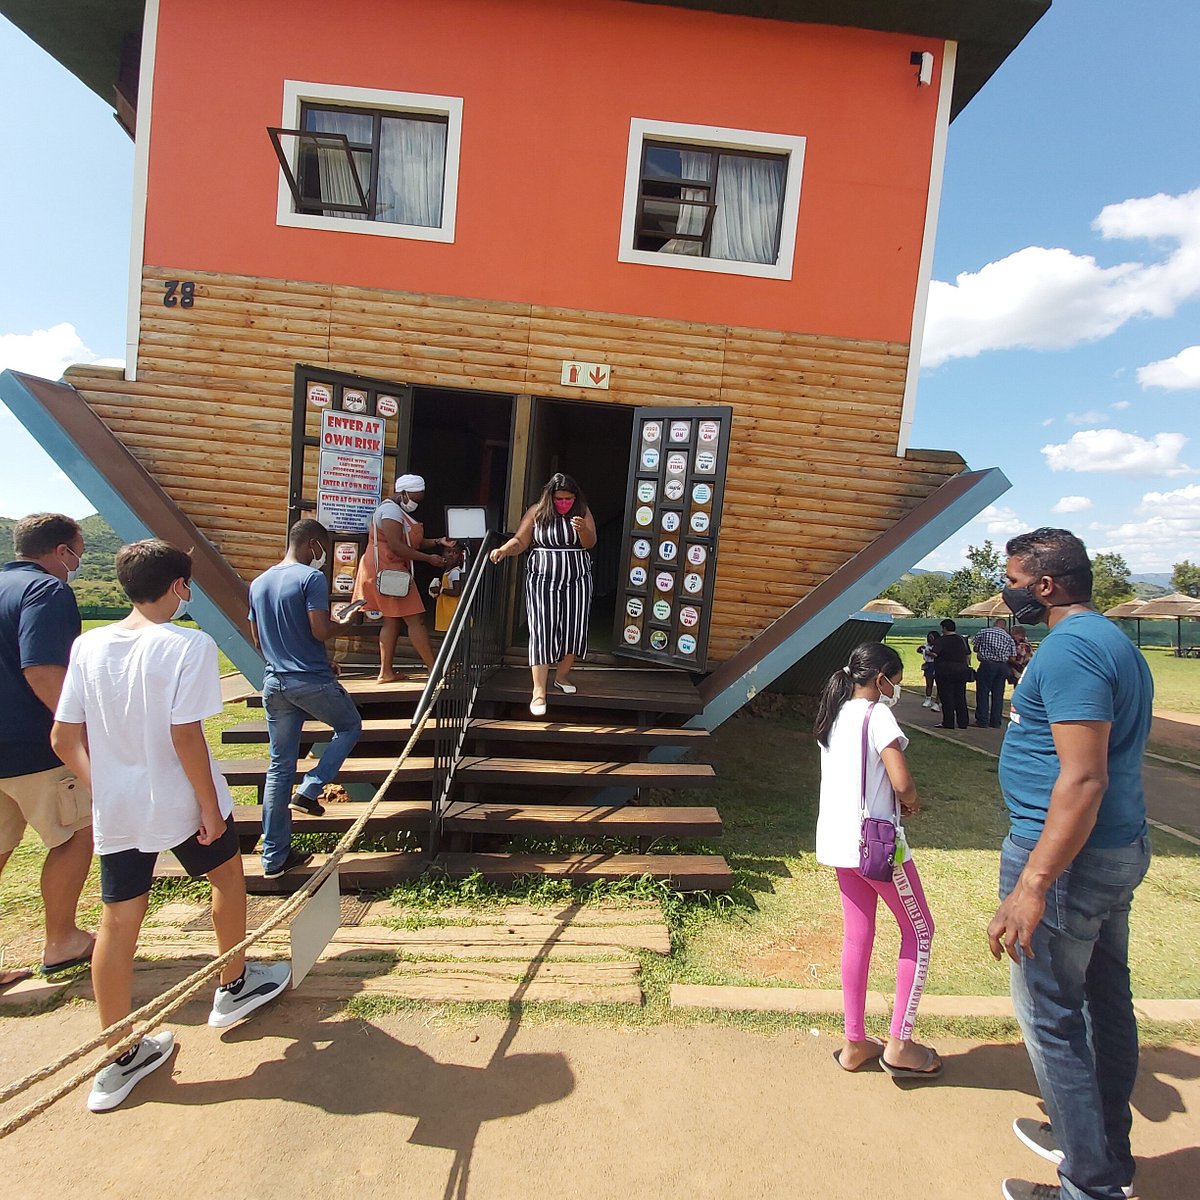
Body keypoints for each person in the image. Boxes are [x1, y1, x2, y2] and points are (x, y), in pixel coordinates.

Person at [52, 539, 291, 1113]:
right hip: (182, 799)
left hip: (121, 808)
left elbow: (63, 739)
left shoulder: (88, 645)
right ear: (180, 587)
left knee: (117, 921)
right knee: (227, 881)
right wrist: (209, 807)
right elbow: (186, 736)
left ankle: (118, 1054)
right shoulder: (189, 644)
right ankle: (233, 985)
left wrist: (105, 785)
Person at [988, 528, 1152, 1200]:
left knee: (1052, 1017)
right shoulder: (1113, 642)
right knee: (1105, 1003)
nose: (1008, 591)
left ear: (1045, 586)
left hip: (1065, 863)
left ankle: (1089, 1183)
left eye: (1013, 580)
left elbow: (1082, 781)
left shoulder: (1073, 652)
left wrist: (1032, 885)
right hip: (1112, 853)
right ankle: (1104, 1153)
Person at [814, 642, 940, 1079]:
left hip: (838, 844)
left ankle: (854, 1042)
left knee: (858, 936)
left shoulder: (835, 713)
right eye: (896, 680)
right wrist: (913, 801)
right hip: (878, 848)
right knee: (920, 932)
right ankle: (900, 1045)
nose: (896, 689)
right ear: (881, 678)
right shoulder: (877, 714)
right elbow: (901, 780)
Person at [0, 513, 94, 981]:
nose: (76, 562)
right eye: (77, 551)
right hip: (34, 745)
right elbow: (42, 669)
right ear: (62, 551)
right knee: (75, 834)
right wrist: (75, 733)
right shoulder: (47, 591)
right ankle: (62, 940)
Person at [248, 519, 363, 879]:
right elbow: (320, 629)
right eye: (322, 550)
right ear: (314, 544)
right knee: (349, 726)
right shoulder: (310, 579)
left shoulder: (259, 582)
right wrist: (349, 620)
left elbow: (258, 639)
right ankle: (312, 787)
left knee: (279, 768)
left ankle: (273, 857)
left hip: (274, 682)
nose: (323, 558)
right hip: (310, 682)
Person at [489, 472, 596, 716]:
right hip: (542, 578)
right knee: (542, 628)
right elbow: (520, 540)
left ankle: (562, 676)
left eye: (569, 498)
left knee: (574, 626)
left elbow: (590, 543)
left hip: (577, 577)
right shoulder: (537, 512)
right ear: (551, 496)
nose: (564, 502)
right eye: (560, 498)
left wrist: (581, 529)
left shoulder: (583, 511)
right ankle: (539, 690)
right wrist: (504, 550)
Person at [350, 474, 454, 682]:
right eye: (416, 497)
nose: (417, 502)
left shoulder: (396, 511)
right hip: (389, 571)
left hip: (388, 569)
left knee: (391, 621)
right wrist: (429, 559)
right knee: (416, 620)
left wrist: (438, 541)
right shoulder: (390, 512)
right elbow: (398, 546)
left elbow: (412, 541)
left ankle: (386, 672)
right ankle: (435, 670)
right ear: (403, 493)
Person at [972, 617, 1017, 728]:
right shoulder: (1008, 637)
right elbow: (1013, 656)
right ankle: (996, 721)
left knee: (983, 692)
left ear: (995, 624)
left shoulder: (984, 632)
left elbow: (975, 648)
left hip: (987, 664)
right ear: (1004, 626)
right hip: (1002, 667)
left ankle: (982, 720)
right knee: (998, 694)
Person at [931, 618, 972, 730]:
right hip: (961, 670)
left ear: (944, 628)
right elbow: (968, 653)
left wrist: (926, 651)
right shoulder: (961, 639)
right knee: (960, 696)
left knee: (947, 697)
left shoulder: (942, 640)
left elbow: (935, 653)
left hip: (945, 671)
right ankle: (963, 722)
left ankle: (948, 722)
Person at [429, 544, 467, 633]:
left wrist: (440, 590)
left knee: (453, 629)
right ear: (443, 555)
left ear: (460, 557)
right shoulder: (448, 571)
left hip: (452, 606)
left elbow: (456, 591)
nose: (451, 555)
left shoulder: (455, 572)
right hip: (447, 604)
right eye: (448, 552)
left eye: (455, 553)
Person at [918, 631, 940, 711]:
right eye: (929, 637)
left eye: (932, 637)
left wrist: (929, 653)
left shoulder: (938, 646)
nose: (930, 639)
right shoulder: (926, 646)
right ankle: (928, 699)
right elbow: (919, 650)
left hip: (937, 665)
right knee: (929, 683)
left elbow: (936, 655)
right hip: (928, 665)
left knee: (939, 685)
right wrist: (921, 649)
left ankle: (937, 702)